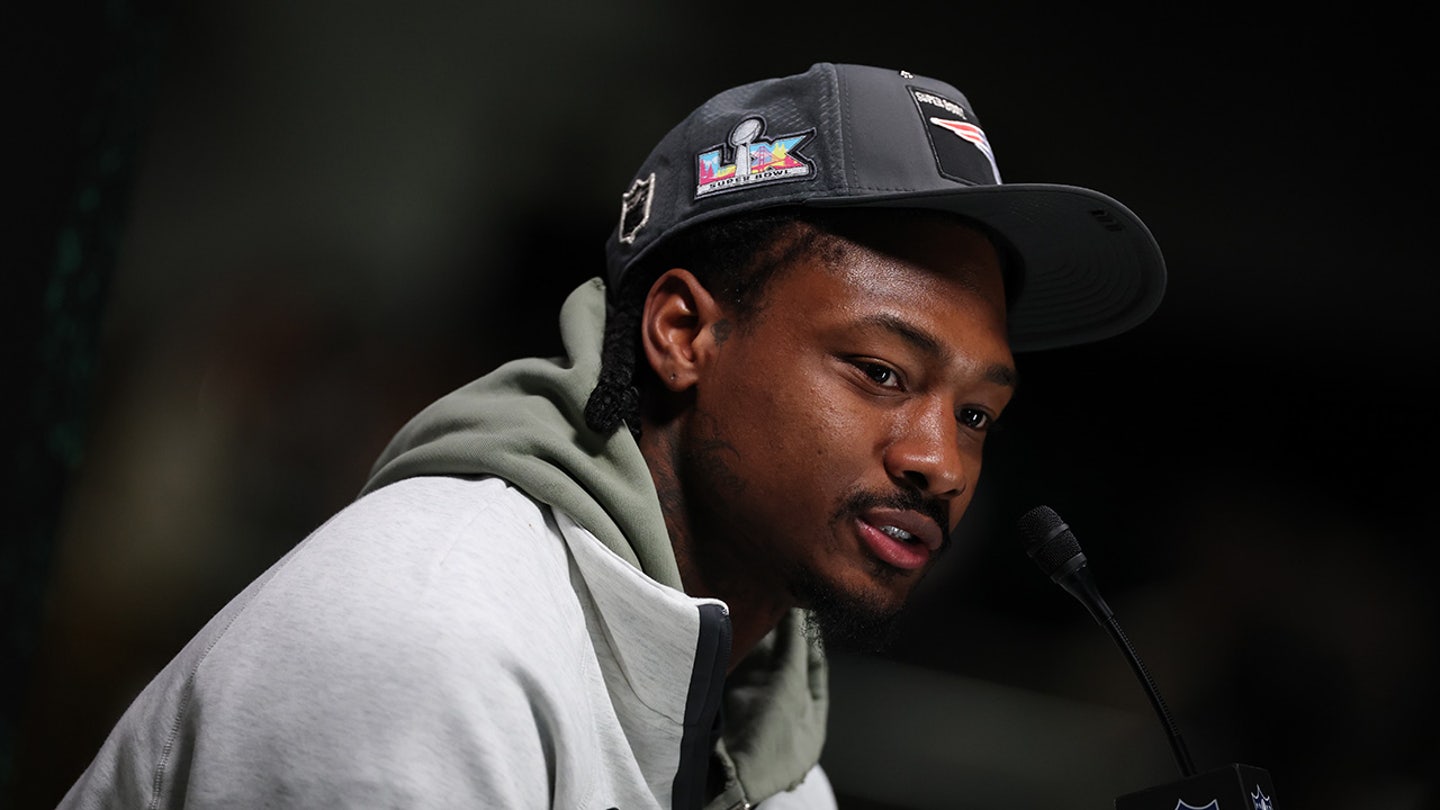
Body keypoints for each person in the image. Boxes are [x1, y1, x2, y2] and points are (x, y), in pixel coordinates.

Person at [58, 62, 1165, 809]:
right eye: (880, 373)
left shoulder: (771, 748)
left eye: (976, 414)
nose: (941, 462)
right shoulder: (431, 640)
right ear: (683, 334)